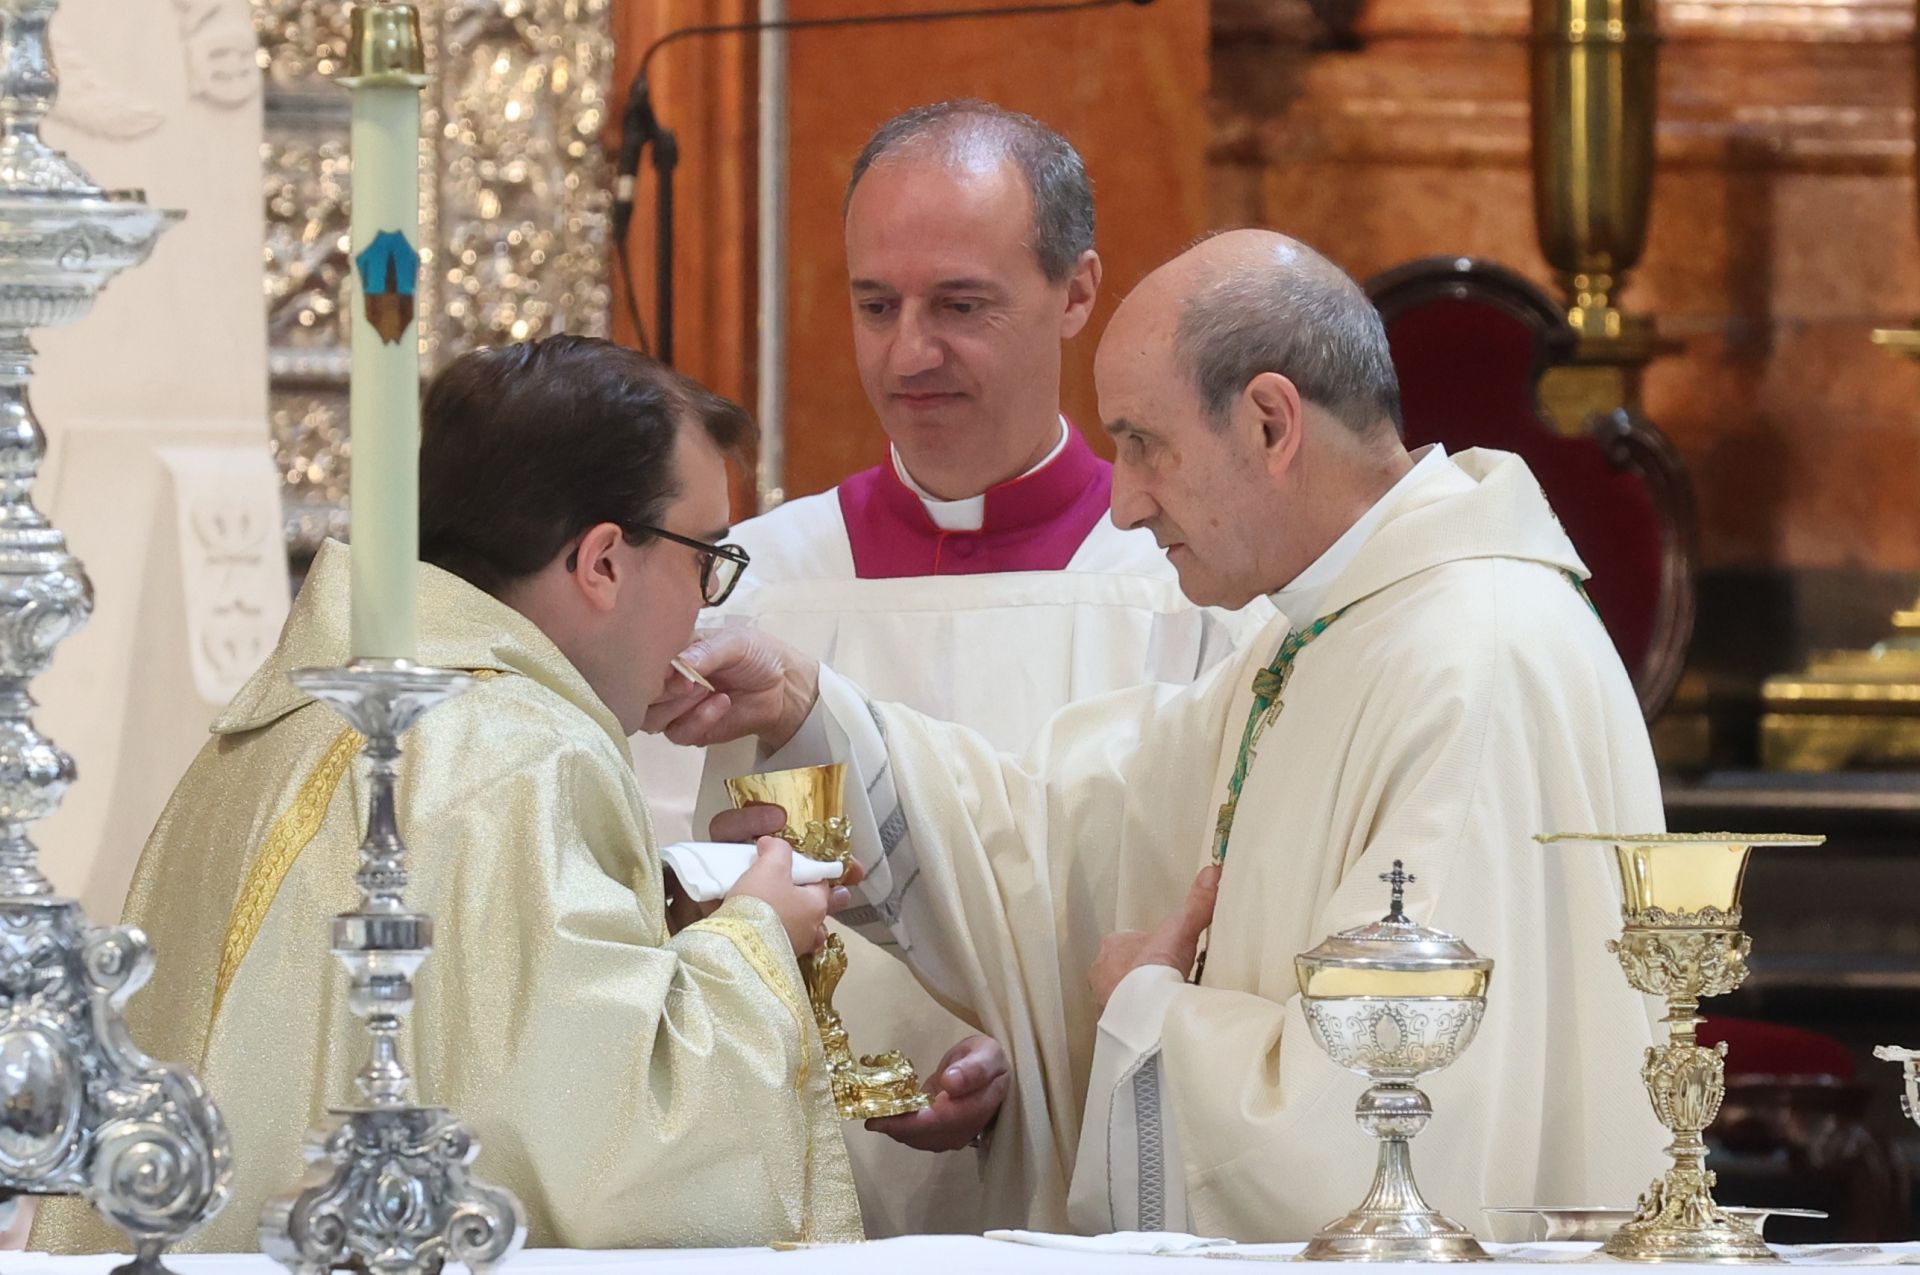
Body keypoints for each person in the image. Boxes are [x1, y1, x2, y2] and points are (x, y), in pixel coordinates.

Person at [655, 230, 1666, 1240]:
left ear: (1271, 422)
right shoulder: (1332, 632)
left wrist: (1150, 1017)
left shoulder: (1468, 661)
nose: (1128, 502)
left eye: (1145, 443)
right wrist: (805, 706)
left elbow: (1387, 1117)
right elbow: (1057, 830)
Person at [33, 337, 862, 1254]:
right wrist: (755, 936)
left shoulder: (285, 717)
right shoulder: (521, 750)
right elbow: (625, 1157)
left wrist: (664, 923)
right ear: (602, 562)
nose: (706, 605)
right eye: (705, 556)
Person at [632, 101, 1266, 1235]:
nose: (907, 353)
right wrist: (883, 1055)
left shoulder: (1185, 582)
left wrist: (1048, 1040)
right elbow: (677, 886)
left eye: (960, 306)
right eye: (876, 306)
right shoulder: (757, 579)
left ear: (1076, 293)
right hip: (824, 1185)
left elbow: (1227, 891)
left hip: (1109, 1164)